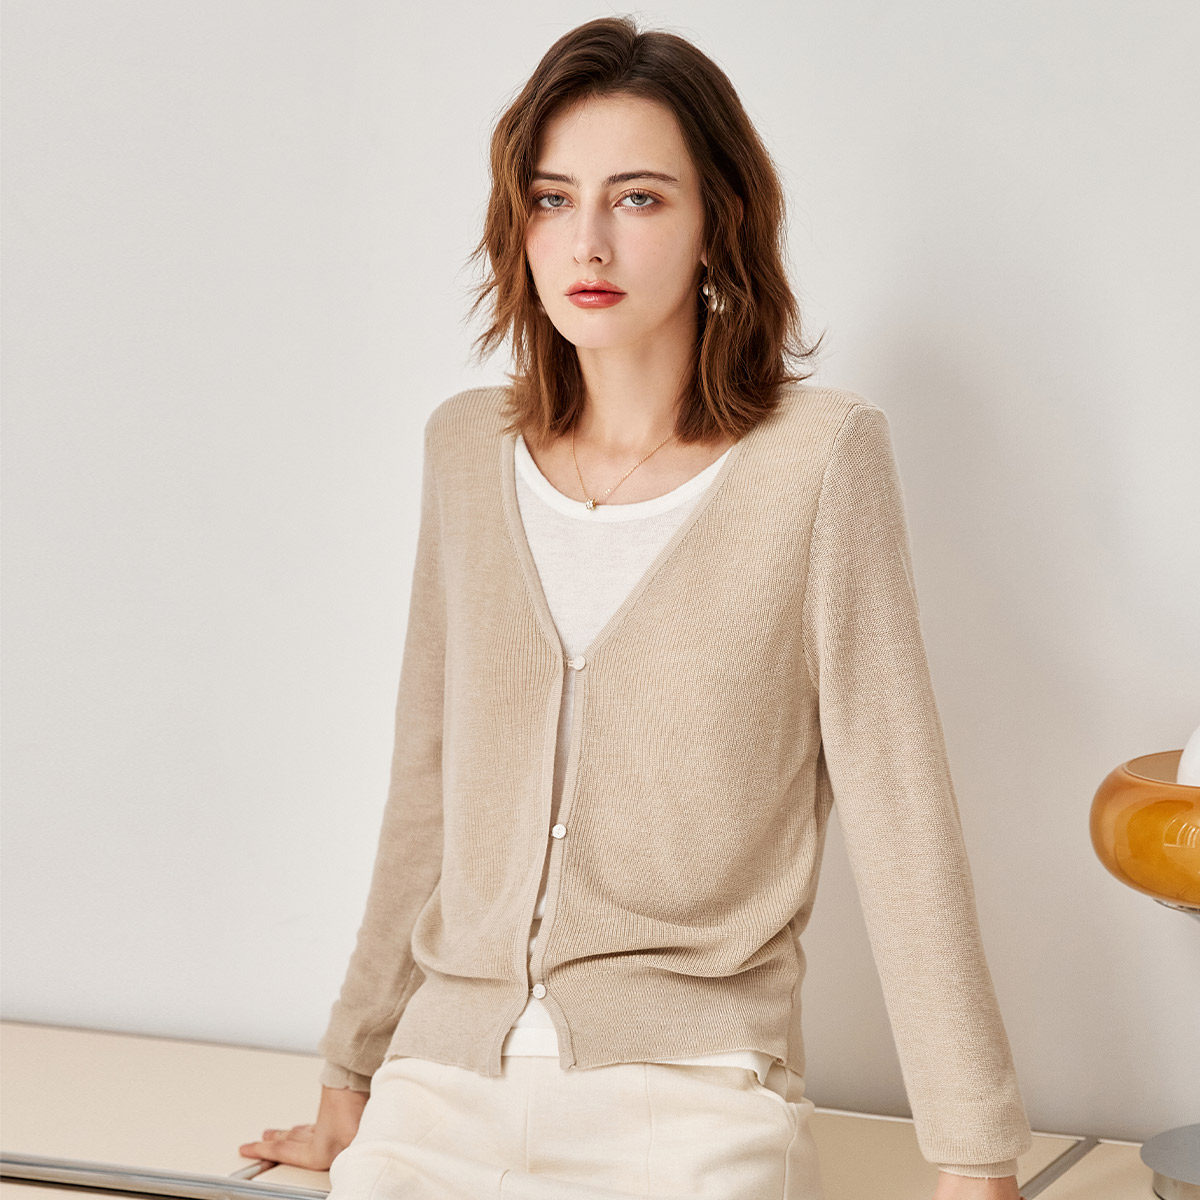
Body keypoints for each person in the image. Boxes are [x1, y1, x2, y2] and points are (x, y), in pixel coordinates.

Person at [238, 15, 1032, 1200]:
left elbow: (898, 803)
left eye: (640, 198)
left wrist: (975, 1161)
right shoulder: (465, 450)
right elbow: (427, 783)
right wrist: (351, 1080)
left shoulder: (818, 459)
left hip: (689, 1104)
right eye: (553, 200)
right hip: (438, 1092)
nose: (589, 242)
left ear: (720, 221)